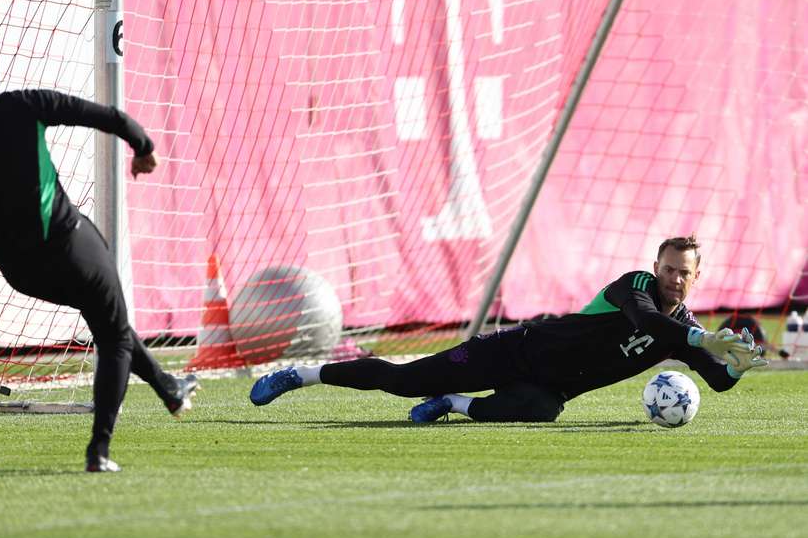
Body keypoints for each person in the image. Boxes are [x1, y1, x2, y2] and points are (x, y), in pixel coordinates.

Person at [0, 31, 199, 472]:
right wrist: (142, 146)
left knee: (109, 317)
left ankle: (169, 388)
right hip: (69, 245)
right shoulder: (26, 105)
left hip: (20, 271)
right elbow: (105, 116)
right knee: (112, 334)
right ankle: (100, 451)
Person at [249, 236, 767, 422]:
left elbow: (717, 381)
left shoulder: (690, 328)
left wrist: (736, 367)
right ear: (657, 268)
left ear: (698, 277)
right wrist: (702, 341)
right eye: (669, 268)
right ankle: (302, 375)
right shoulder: (634, 286)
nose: (675, 278)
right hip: (516, 352)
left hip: (546, 387)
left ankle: (453, 405)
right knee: (402, 380)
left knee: (541, 411)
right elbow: (649, 322)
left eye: (685, 272)